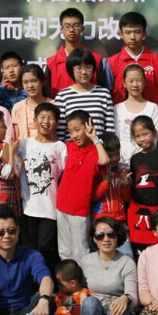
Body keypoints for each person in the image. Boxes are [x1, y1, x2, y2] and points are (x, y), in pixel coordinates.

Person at [79, 217, 138, 315]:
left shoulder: (127, 262)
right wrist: (82, 293)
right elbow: (78, 287)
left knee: (117, 308)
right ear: (94, 239)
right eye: (100, 235)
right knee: (90, 303)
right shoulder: (86, 261)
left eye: (111, 234)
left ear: (117, 237)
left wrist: (125, 298)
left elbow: (133, 294)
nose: (106, 239)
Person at [55, 111, 110, 262]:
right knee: (64, 250)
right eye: (70, 131)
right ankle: (67, 277)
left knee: (80, 250)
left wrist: (95, 138)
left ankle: (84, 277)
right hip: (61, 205)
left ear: (88, 127)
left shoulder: (95, 151)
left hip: (79, 209)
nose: (74, 135)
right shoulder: (70, 147)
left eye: (77, 130)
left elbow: (105, 161)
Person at [17, 102, 66, 270]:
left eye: (51, 118)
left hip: (50, 209)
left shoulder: (60, 147)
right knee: (30, 249)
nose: (46, 121)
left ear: (57, 123)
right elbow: (14, 168)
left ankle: (49, 281)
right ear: (34, 121)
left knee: (47, 248)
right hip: (28, 207)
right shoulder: (24, 144)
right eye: (42, 117)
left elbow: (65, 177)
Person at [128, 115, 158, 254]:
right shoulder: (135, 158)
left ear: (154, 133)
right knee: (140, 247)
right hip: (138, 207)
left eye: (145, 134)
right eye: (137, 136)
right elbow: (134, 185)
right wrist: (127, 182)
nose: (142, 139)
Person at [108, 11, 158, 108]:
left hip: (151, 115)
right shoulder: (111, 62)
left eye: (137, 32)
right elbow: (108, 93)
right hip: (121, 116)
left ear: (144, 33)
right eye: (128, 32)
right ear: (121, 34)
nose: (132, 37)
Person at [45, 7, 112, 95]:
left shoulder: (96, 59)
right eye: (67, 26)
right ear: (61, 30)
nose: (71, 30)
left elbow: (103, 91)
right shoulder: (52, 64)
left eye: (76, 25)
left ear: (82, 28)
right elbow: (46, 95)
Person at [55, 49, 116, 141]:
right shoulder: (62, 96)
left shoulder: (104, 94)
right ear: (71, 70)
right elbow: (60, 132)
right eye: (78, 68)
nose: (84, 72)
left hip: (98, 147)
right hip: (73, 148)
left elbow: (110, 129)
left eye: (88, 67)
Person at [91, 132, 133, 257]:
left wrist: (125, 185)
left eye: (117, 154)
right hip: (100, 220)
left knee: (127, 255)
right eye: (110, 155)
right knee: (100, 256)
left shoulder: (123, 171)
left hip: (119, 220)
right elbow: (93, 197)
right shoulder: (96, 172)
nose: (114, 158)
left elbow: (127, 198)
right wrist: (106, 182)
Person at [114, 64, 158, 165]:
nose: (135, 85)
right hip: (122, 164)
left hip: (147, 162)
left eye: (139, 80)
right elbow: (116, 137)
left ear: (144, 82)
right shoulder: (117, 109)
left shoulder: (152, 108)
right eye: (131, 81)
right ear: (124, 83)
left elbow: (155, 136)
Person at [11, 64, 53, 140]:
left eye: (34, 81)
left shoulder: (54, 105)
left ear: (42, 81)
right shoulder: (17, 108)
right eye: (25, 82)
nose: (30, 86)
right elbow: (16, 137)